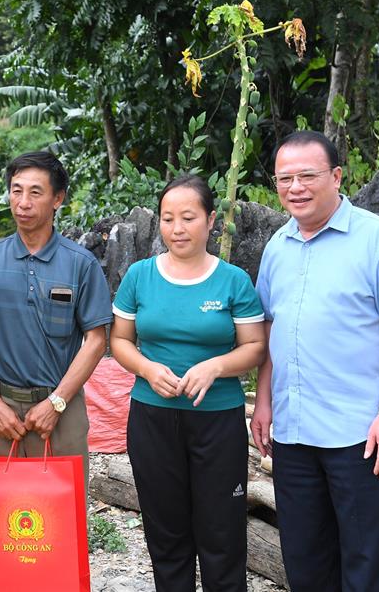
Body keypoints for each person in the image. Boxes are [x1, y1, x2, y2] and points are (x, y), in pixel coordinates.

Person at [249, 130, 379, 592]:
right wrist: (263, 401)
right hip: (293, 431)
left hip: (360, 433)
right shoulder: (276, 247)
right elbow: (272, 332)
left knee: (372, 562)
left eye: (308, 175)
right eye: (285, 178)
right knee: (307, 559)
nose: (296, 187)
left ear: (337, 176)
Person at [110, 174, 266, 592]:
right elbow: (120, 341)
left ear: (211, 220)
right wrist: (146, 368)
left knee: (222, 531)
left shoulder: (233, 280)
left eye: (188, 217)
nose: (177, 229)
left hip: (216, 420)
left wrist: (215, 367)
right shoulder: (140, 276)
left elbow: (254, 347)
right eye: (167, 218)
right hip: (153, 418)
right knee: (166, 530)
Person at [0, 151, 111, 478]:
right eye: (16, 190)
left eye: (35, 192)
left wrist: (56, 403)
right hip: (0, 410)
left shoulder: (80, 264)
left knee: (64, 517)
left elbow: (96, 340)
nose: (23, 202)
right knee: (4, 515)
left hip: (61, 409)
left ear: (57, 199)